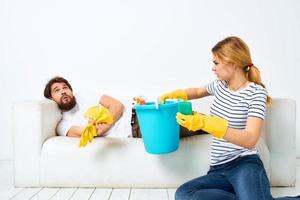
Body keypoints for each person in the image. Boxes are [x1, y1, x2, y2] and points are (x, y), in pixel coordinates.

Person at [159, 36, 299, 200]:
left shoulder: (256, 93)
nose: (213, 68)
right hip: (217, 170)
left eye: (216, 63)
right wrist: (179, 94)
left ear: (232, 62)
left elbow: (250, 139)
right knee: (184, 195)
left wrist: (206, 123)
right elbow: (197, 92)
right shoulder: (219, 85)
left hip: (245, 165)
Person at [43, 76, 203, 139]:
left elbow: (117, 105)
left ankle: (224, 123)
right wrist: (96, 126)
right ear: (51, 98)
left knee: (194, 115)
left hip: (141, 107)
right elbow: (88, 132)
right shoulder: (63, 125)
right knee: (195, 125)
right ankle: (224, 129)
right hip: (136, 127)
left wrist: (106, 122)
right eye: (57, 90)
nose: (63, 91)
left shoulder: (84, 94)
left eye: (65, 87)